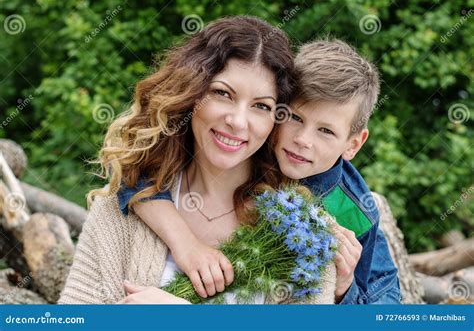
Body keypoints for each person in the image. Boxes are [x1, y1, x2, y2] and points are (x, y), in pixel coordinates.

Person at [59, 16, 337, 304]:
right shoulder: (121, 208)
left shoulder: (304, 235)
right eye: (222, 94)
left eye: (261, 106)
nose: (238, 122)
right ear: (191, 93)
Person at [116, 39, 401, 304]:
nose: (303, 139)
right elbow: (138, 171)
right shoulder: (242, 148)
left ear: (353, 144)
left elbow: (386, 306)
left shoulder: (354, 211)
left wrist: (344, 288)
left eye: (326, 130)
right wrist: (185, 243)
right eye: (293, 117)